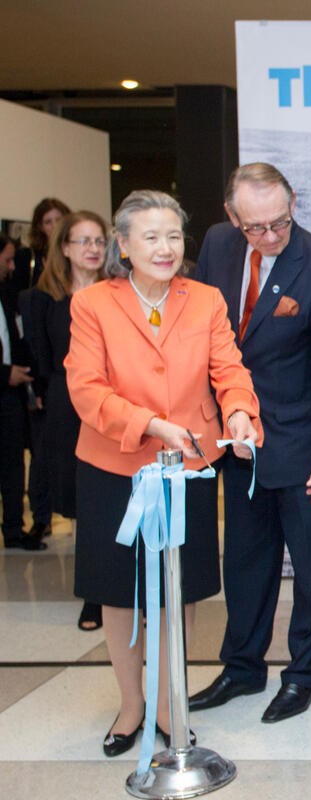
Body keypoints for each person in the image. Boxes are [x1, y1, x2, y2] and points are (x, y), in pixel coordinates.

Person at [64, 190, 261, 756]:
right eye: (150, 237)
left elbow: (229, 370)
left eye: (174, 236)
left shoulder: (204, 299)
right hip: (114, 465)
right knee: (119, 591)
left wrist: (240, 412)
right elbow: (86, 388)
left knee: (181, 587)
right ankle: (132, 706)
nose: (165, 248)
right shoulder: (93, 304)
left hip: (188, 465)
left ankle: (171, 703)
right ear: (123, 245)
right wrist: (149, 424)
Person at [188, 163, 311, 724]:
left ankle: (304, 674)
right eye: (254, 227)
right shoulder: (218, 244)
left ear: (293, 203)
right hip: (237, 440)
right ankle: (241, 668)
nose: (269, 236)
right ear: (232, 217)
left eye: (279, 222)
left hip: (302, 438)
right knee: (245, 561)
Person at [26, 210, 109, 628]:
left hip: (114, 403)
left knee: (117, 495)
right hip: (68, 406)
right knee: (81, 501)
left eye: (100, 241)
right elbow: (42, 360)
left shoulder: (118, 291)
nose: (94, 249)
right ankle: (93, 594)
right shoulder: (44, 299)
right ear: (64, 248)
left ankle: (128, 588)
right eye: (84, 241)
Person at [13, 198, 69, 543]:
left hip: (66, 368)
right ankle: (41, 516)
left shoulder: (76, 262)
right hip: (37, 369)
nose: (53, 226)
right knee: (40, 451)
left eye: (58, 220)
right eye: (48, 221)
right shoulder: (28, 261)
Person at [0, 232, 44, 551]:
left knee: (14, 463)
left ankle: (14, 528)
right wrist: (5, 374)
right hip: (6, 381)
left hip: (11, 395)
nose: (12, 267)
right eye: (7, 260)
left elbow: (17, 339)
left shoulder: (7, 295)